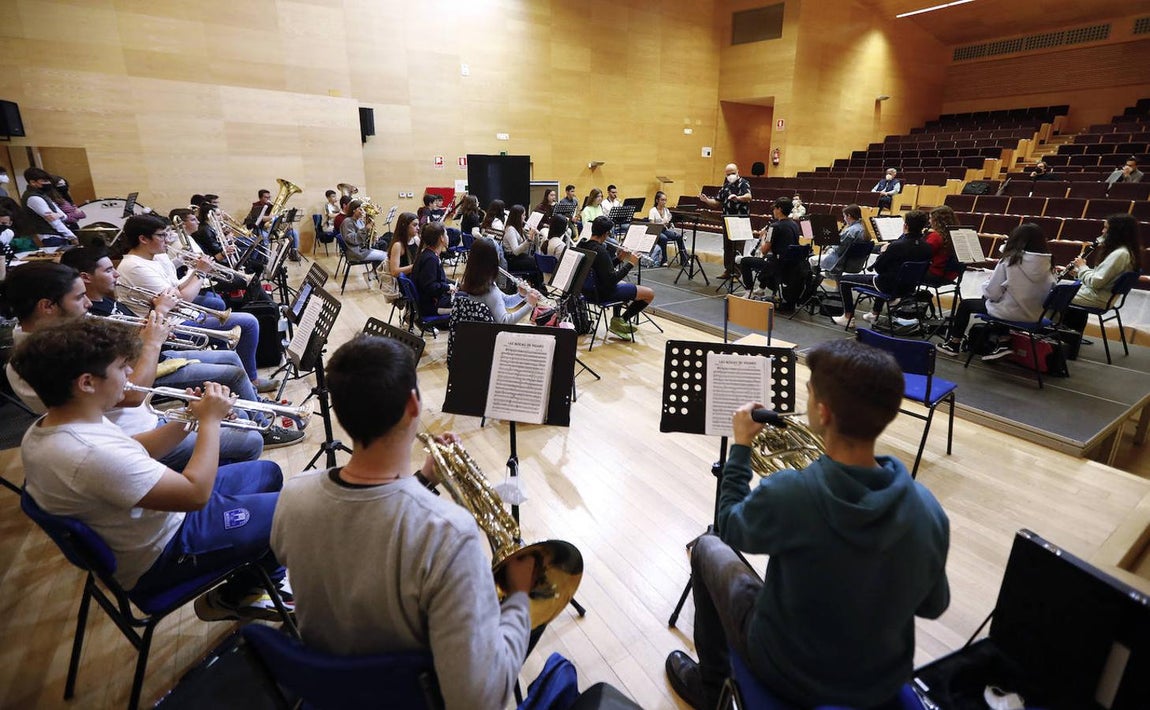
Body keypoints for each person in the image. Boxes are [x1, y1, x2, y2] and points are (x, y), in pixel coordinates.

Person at [665, 338, 950, 710]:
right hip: (880, 677)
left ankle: (710, 685)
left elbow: (731, 526)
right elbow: (933, 605)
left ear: (823, 412)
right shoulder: (927, 507)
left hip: (789, 670)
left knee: (707, 545)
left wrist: (740, 448)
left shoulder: (790, 493)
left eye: (810, 392)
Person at [271, 335, 534, 709]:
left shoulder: (294, 495)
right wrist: (520, 598)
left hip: (329, 693)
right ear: (413, 405)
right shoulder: (450, 532)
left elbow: (363, 523)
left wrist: (422, 482)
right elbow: (478, 700)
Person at [13, 317, 290, 621]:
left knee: (268, 474)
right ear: (87, 383)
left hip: (153, 523)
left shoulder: (64, 419)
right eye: (121, 367)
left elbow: (138, 449)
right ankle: (238, 596)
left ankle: (253, 572)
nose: (131, 373)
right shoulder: (88, 453)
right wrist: (210, 422)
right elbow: (195, 494)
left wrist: (189, 416)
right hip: (165, 550)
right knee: (292, 511)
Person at [0, 262, 268, 468]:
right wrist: (150, 343)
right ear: (47, 306)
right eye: (79, 297)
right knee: (250, 438)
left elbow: (122, 373)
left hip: (146, 419)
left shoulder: (60, 337)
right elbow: (131, 395)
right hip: (132, 441)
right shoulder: (38, 359)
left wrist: (144, 338)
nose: (90, 302)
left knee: (240, 418)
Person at [59, 245, 304, 445]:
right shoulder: (91, 314)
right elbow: (127, 360)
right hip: (147, 367)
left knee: (231, 357)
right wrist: (156, 324)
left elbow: (132, 334)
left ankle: (257, 408)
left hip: (155, 352)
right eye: (110, 270)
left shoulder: (103, 301)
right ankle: (261, 427)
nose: (116, 275)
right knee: (232, 371)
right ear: (85, 278)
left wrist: (156, 329)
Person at [113, 214, 274, 392]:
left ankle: (240, 382)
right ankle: (251, 382)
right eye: (162, 235)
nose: (168, 240)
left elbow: (178, 289)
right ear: (143, 239)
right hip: (171, 327)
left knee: (226, 310)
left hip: (178, 317)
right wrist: (201, 272)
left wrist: (196, 270)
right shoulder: (135, 267)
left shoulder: (156, 257)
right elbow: (182, 301)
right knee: (248, 323)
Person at [937, 223, 1056, 360]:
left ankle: (953, 344)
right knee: (1001, 302)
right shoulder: (1049, 263)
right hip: (1036, 315)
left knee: (967, 305)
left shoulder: (1010, 260)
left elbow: (992, 293)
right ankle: (1003, 341)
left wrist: (989, 283)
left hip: (1011, 313)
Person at [833, 210, 932, 327]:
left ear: (905, 225)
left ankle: (847, 317)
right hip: (908, 288)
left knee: (844, 280)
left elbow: (879, 268)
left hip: (887, 286)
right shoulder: (927, 247)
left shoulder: (897, 246)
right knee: (889, 275)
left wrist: (883, 252)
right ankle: (874, 314)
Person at [578, 216, 655, 339]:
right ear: (606, 233)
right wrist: (630, 263)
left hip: (587, 292)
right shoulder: (600, 251)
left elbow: (602, 269)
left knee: (623, 283)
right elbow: (612, 280)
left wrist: (619, 259)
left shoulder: (583, 245)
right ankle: (620, 321)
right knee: (649, 294)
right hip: (602, 294)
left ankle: (617, 319)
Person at [1063, 213, 1142, 332]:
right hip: (1100, 296)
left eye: (1106, 228)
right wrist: (1079, 273)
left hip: (1098, 298)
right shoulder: (1125, 252)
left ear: (1116, 232)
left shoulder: (1120, 254)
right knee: (1059, 290)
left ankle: (1058, 335)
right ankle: (1069, 333)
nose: (1102, 231)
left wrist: (1082, 267)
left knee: (1053, 294)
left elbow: (1096, 282)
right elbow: (1102, 278)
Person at [458, 238, 540, 324]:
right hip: (490, 335)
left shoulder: (477, 282)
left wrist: (521, 295)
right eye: (499, 254)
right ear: (493, 260)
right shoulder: (489, 291)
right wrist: (530, 305)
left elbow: (506, 302)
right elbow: (505, 321)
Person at [738, 196, 801, 300]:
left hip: (778, 266)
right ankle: (761, 288)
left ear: (779, 209)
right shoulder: (794, 225)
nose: (773, 211)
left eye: (774, 208)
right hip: (791, 264)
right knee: (770, 258)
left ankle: (748, 291)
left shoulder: (774, 227)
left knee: (745, 261)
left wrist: (763, 236)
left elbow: (764, 250)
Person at [697, 163, 752, 279]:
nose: (730, 176)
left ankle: (736, 273)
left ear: (738, 171)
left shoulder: (744, 183)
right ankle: (728, 270)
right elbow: (717, 202)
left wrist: (738, 198)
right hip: (727, 220)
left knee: (737, 247)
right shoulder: (726, 186)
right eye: (728, 174)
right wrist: (707, 200)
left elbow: (748, 196)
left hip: (740, 220)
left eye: (732, 173)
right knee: (727, 247)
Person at [19, 167, 77, 247]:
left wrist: (60, 215)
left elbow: (62, 215)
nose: (48, 183)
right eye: (44, 181)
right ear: (33, 182)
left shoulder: (42, 194)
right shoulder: (33, 198)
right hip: (50, 237)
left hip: (57, 235)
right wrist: (71, 236)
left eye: (48, 180)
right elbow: (53, 220)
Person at [411, 222, 456, 316]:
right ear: (441, 238)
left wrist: (455, 285)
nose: (448, 236)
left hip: (434, 301)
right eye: (446, 234)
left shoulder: (429, 255)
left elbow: (437, 281)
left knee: (465, 295)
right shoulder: (430, 259)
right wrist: (447, 287)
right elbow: (430, 286)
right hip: (432, 306)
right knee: (469, 302)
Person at [811, 204, 867, 273]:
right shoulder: (862, 228)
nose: (844, 219)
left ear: (849, 216)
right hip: (856, 264)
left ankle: (815, 280)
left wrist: (829, 248)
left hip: (840, 262)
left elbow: (839, 250)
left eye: (844, 216)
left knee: (812, 260)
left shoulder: (851, 231)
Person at [502, 204, 544, 289]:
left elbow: (530, 246)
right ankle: (538, 288)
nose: (525, 217)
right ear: (518, 216)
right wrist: (529, 239)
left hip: (519, 258)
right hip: (512, 260)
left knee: (537, 261)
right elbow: (516, 251)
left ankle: (537, 287)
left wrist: (535, 236)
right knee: (537, 263)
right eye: (523, 215)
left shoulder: (517, 228)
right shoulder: (510, 230)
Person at [340, 199, 387, 267]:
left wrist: (373, 237)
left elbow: (364, 236)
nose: (363, 212)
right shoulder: (347, 222)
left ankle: (374, 272)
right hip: (357, 253)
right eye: (360, 209)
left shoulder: (359, 221)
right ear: (353, 210)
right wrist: (366, 228)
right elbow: (352, 240)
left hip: (363, 249)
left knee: (382, 245)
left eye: (363, 210)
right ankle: (376, 273)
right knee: (385, 256)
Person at [924, 205, 961, 287]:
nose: (929, 221)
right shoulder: (957, 234)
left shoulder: (936, 236)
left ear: (937, 221)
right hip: (952, 275)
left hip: (935, 275)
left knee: (902, 269)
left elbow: (923, 254)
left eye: (930, 218)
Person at [648, 191, 687, 267]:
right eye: (662, 200)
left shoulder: (666, 211)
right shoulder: (652, 211)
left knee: (679, 236)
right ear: (657, 201)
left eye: (665, 200)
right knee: (664, 238)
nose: (664, 202)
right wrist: (662, 223)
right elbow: (652, 226)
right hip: (655, 231)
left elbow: (668, 226)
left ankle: (684, 259)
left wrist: (669, 223)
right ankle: (664, 260)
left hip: (664, 230)